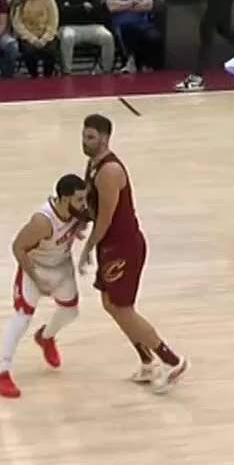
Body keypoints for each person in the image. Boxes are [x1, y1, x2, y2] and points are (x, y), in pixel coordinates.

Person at [79, 114, 187, 392]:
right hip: (110, 246)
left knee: (123, 309)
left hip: (123, 247)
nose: (85, 141)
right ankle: (147, 362)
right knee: (109, 303)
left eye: (90, 137)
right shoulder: (93, 165)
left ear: (105, 138)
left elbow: (105, 217)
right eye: (84, 136)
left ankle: (172, 361)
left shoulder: (109, 171)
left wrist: (87, 247)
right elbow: (92, 206)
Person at [0, 174, 89, 400]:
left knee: (71, 311)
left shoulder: (77, 211)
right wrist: (35, 278)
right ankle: (1, 372)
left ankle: (45, 337)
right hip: (35, 268)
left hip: (61, 266)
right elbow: (17, 247)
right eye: (79, 200)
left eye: (84, 199)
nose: (83, 204)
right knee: (22, 318)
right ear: (63, 199)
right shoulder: (42, 221)